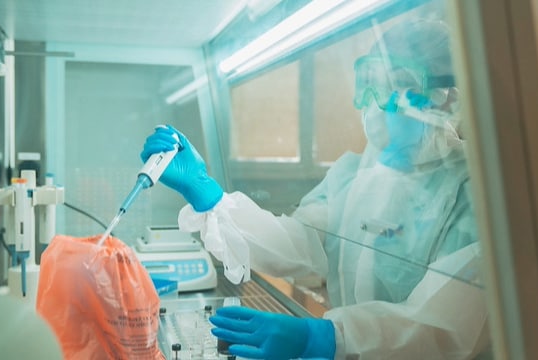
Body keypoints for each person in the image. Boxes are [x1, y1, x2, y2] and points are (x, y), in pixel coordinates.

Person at [141, 18, 490, 360]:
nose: (376, 101)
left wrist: (326, 336)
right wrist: (210, 198)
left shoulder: (477, 194)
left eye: (399, 84)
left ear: (447, 99)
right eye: (371, 83)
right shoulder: (352, 175)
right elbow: (298, 243)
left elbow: (444, 328)